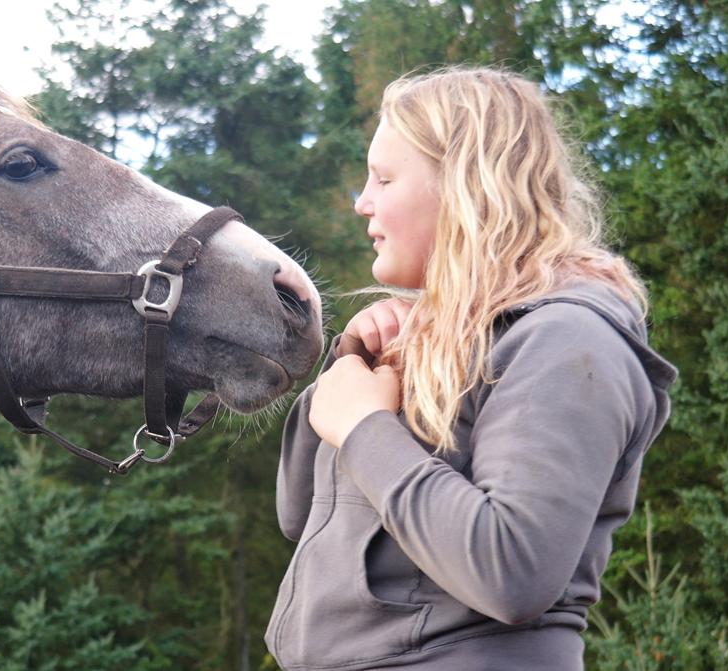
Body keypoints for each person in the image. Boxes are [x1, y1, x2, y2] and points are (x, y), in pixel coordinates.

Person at [264, 67, 677, 670]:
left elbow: (514, 573)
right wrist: (352, 367)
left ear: (464, 186)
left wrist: (364, 428)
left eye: (383, 178)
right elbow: (299, 517)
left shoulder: (568, 340)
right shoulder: (429, 338)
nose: (363, 202)